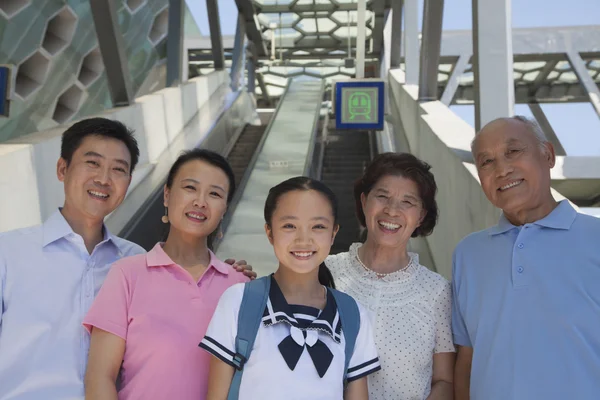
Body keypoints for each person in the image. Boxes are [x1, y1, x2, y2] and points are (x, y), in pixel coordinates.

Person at [452, 116, 600, 400]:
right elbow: (467, 360)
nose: (502, 169)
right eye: (486, 162)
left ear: (548, 155)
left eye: (513, 152)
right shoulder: (467, 255)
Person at [83, 149, 250, 400]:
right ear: (167, 195)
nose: (200, 202)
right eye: (190, 188)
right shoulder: (127, 275)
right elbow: (100, 378)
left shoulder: (241, 286)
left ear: (224, 209)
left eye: (214, 194)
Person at [0, 118, 145, 399]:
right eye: (93, 163)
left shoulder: (137, 262)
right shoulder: (8, 252)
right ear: (62, 169)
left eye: (118, 169)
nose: (104, 179)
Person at [200, 177, 381, 400]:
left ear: (333, 233)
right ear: (269, 232)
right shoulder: (239, 301)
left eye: (318, 227)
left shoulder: (352, 315)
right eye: (289, 226)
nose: (303, 239)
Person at [325, 152, 455, 400]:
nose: (392, 210)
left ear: (421, 216)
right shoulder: (325, 273)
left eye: (408, 202)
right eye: (382, 196)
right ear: (364, 202)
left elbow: (444, 380)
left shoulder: (437, 292)